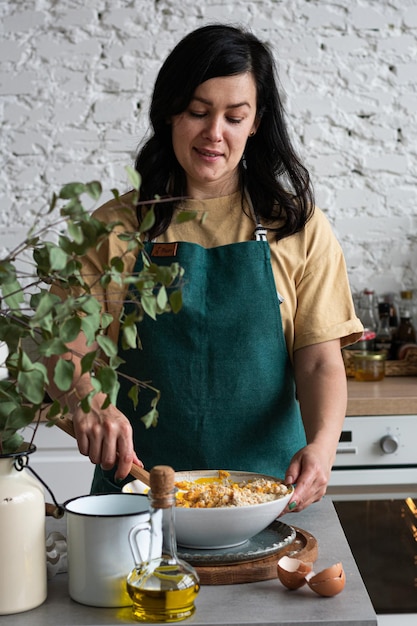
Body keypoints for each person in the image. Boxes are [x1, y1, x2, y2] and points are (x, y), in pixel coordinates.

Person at [47, 24, 363, 512]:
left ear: (256, 123)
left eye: (235, 117)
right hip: (138, 500)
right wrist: (88, 402)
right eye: (198, 112)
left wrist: (321, 449)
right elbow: (63, 346)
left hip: (272, 498)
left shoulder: (298, 227)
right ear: (171, 111)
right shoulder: (113, 229)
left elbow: (320, 361)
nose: (215, 133)